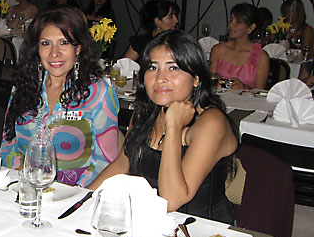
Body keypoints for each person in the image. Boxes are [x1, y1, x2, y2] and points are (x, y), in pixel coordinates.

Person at [89, 30, 238, 224]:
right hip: (149, 222)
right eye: (153, 67)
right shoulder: (145, 114)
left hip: (201, 233)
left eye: (173, 68)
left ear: (196, 78)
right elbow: (122, 164)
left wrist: (174, 126)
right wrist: (83, 199)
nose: (160, 78)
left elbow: (171, 200)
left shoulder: (211, 122)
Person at [0, 6, 120, 187]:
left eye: (64, 43)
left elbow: (106, 160)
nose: (54, 53)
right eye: (46, 43)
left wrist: (77, 195)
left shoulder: (98, 92)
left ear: (78, 48)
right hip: (25, 188)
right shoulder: (25, 87)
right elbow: (8, 144)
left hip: (77, 193)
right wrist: (18, 184)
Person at [209, 3, 270, 90]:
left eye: (238, 22)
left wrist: (244, 87)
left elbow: (259, 92)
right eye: (231, 20)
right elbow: (211, 85)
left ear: (251, 28)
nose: (231, 25)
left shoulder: (261, 57)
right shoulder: (218, 50)